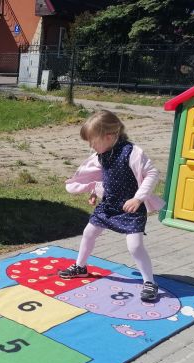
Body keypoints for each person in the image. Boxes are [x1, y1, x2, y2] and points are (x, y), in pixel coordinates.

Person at [60, 110, 165, 302]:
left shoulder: (132, 152)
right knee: (89, 233)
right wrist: (95, 191)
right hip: (108, 206)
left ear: (109, 136)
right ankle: (80, 267)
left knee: (135, 246)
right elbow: (105, 178)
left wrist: (138, 198)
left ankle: (149, 282)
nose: (91, 146)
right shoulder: (102, 154)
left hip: (131, 209)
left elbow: (152, 174)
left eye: (93, 141)